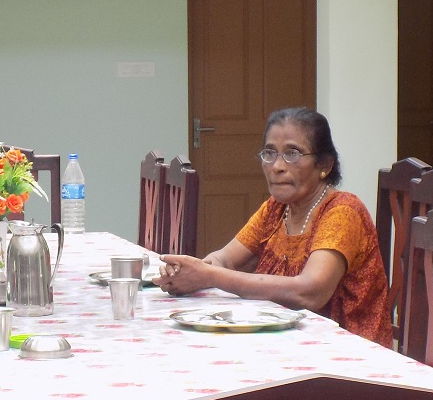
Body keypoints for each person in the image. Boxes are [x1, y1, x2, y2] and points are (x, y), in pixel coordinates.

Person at [156, 107, 392, 346]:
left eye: (292, 153)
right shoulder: (276, 209)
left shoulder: (343, 211)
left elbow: (310, 292)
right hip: (285, 343)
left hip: (345, 351)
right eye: (269, 153)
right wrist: (190, 272)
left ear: (325, 164)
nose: (277, 166)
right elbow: (224, 259)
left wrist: (209, 276)